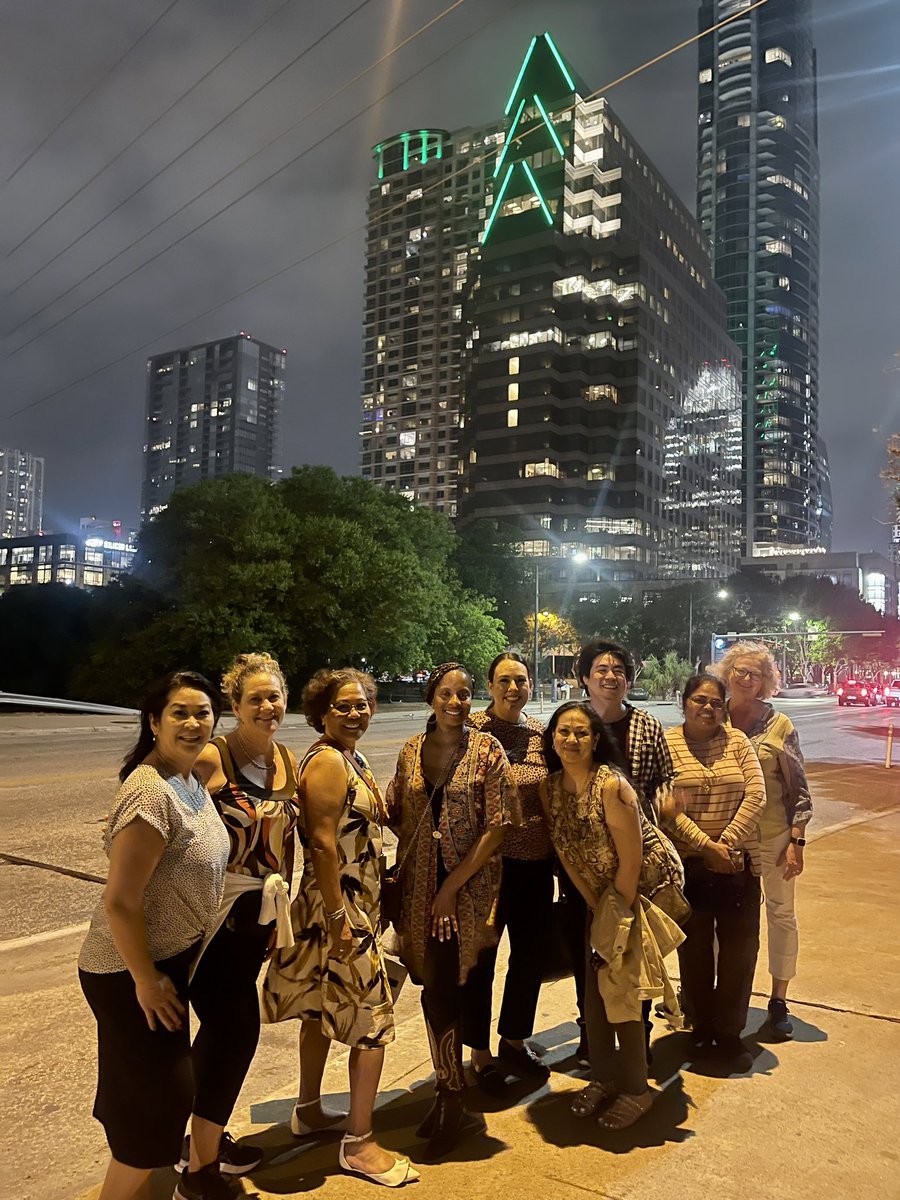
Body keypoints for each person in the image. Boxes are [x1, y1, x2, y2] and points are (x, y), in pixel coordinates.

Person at [262, 669, 418, 1188]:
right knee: (371, 1022)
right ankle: (359, 1142)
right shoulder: (329, 760)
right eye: (345, 706)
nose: (357, 713)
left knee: (319, 1008)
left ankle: (307, 1110)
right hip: (341, 905)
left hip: (352, 902)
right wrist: (338, 918)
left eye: (364, 705)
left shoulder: (350, 756)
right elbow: (323, 844)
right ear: (322, 713)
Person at [78, 672, 229, 1200]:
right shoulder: (149, 793)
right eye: (180, 713)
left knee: (143, 1095)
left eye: (203, 712)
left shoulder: (187, 778)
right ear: (154, 721)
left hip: (164, 961)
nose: (193, 723)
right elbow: (120, 900)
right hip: (128, 971)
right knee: (160, 1105)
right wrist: (144, 980)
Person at [174, 654, 300, 1200]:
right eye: (256, 699)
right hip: (213, 919)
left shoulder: (284, 760)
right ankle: (196, 1171)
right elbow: (156, 811)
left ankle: (203, 1140)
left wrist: (282, 913)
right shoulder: (212, 756)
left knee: (224, 1036)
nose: (268, 708)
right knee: (233, 1032)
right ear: (235, 707)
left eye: (275, 697)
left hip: (258, 917)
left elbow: (284, 842)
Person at [387, 662, 519, 1158]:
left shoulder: (488, 750)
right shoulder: (409, 751)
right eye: (446, 693)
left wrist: (452, 886)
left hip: (468, 888)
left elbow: (499, 825)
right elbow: (396, 811)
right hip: (421, 887)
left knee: (455, 983)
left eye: (464, 694)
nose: (456, 702)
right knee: (435, 988)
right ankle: (449, 1086)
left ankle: (453, 1092)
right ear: (431, 698)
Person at [539, 702, 685, 1130]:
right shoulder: (550, 789)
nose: (571, 740)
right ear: (552, 738)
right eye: (563, 731)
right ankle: (603, 1077)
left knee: (624, 997)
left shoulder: (612, 786)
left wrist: (614, 920)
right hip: (594, 903)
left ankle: (637, 1090)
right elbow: (565, 850)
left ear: (596, 740)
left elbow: (632, 859)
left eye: (582, 733)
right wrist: (592, 908)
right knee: (594, 997)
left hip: (629, 900)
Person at [570, 639, 675, 1063]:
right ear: (584, 678)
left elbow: (666, 777)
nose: (610, 676)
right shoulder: (573, 722)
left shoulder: (647, 726)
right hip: (583, 862)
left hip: (636, 860)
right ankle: (589, 1033)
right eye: (601, 669)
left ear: (628, 680)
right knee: (588, 951)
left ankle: (638, 1033)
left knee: (634, 949)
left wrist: (668, 799)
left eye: (618, 670)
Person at [665, 673, 766, 1073]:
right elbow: (665, 805)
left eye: (715, 702)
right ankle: (701, 1027)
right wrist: (706, 848)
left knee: (740, 953)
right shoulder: (667, 743)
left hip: (737, 865)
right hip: (689, 866)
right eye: (699, 700)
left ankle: (729, 1033)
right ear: (684, 702)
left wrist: (726, 845)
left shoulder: (737, 741)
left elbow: (756, 795)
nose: (707, 708)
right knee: (695, 953)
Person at [462, 652, 552, 1093]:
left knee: (529, 958)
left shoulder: (540, 734)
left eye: (520, 680)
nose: (512, 689)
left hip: (536, 866)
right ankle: (479, 1053)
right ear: (490, 684)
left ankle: (514, 1040)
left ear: (531, 685)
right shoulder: (471, 733)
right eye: (503, 680)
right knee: (481, 960)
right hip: (487, 870)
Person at [715, 641, 812, 1038]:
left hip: (772, 836)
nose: (746, 678)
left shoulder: (780, 726)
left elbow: (798, 789)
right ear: (727, 674)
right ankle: (712, 993)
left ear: (766, 681)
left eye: (755, 673)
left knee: (780, 914)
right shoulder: (714, 720)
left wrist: (796, 841)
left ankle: (778, 999)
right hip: (727, 837)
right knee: (719, 918)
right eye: (739, 670)